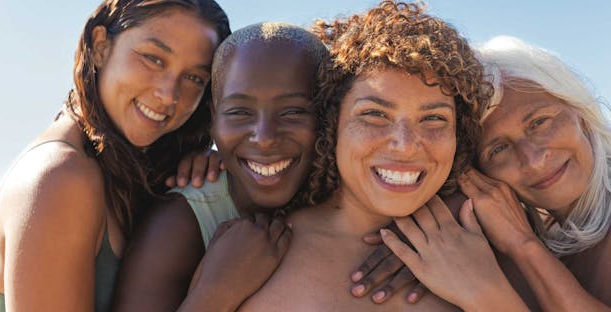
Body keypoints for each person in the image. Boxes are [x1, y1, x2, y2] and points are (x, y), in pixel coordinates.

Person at [191, 1, 516, 310]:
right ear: (331, 123)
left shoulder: (488, 241)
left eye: (434, 119)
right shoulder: (248, 256)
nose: (404, 145)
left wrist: (487, 294)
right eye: (374, 115)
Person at [0, 1, 229, 310]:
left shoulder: (131, 170)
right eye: (153, 58)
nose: (169, 94)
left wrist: (202, 181)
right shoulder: (59, 178)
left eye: (194, 78)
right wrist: (217, 293)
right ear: (100, 47)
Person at [377, 36, 611, 311]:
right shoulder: (549, 241)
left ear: (579, 112)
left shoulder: (523, 241)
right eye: (497, 149)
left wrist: (518, 251)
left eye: (539, 122)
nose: (533, 160)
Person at [112, 22, 329, 311]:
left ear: (330, 114)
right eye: (239, 112)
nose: (264, 138)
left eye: (293, 112)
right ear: (213, 120)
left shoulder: (360, 201)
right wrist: (217, 292)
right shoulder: (181, 222)